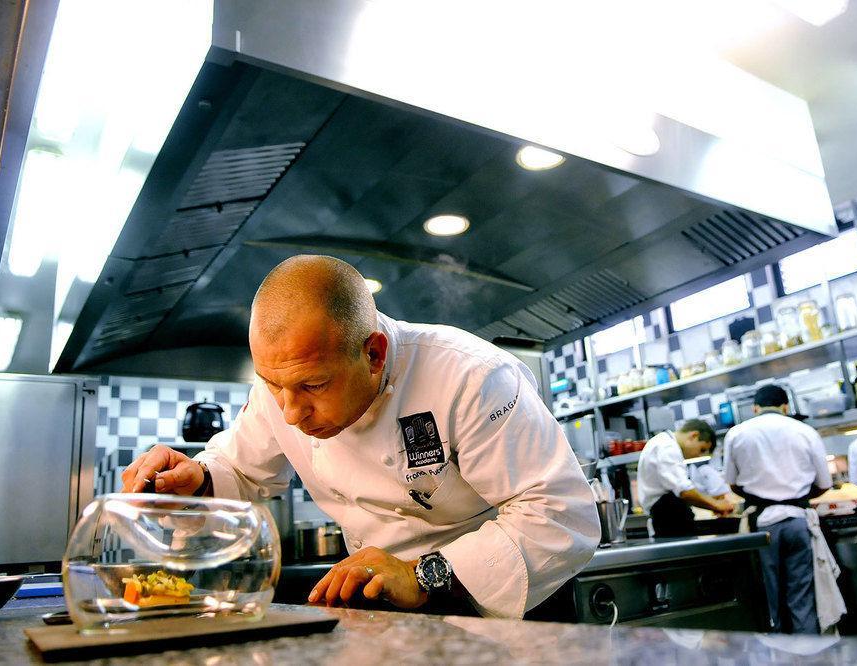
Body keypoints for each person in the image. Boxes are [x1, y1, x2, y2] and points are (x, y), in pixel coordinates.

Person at [121, 255, 599, 618]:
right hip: (381, 604)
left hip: (500, 602)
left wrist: (425, 575)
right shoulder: (286, 387)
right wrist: (196, 480)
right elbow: (242, 471)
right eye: (273, 385)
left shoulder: (471, 377)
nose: (290, 412)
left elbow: (561, 513)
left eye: (313, 386)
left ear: (373, 353)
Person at [723, 384, 832, 634]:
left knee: (767, 594)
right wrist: (795, 497)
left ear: (754, 408)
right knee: (802, 595)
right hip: (798, 521)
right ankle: (809, 656)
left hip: (760, 527)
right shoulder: (805, 431)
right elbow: (824, 484)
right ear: (786, 407)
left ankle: (775, 654)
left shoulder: (737, 433)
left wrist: (762, 497)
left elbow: (732, 483)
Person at [636, 419, 734, 538]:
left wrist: (711, 504)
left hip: (668, 516)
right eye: (702, 449)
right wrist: (717, 505)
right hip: (668, 520)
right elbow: (684, 491)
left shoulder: (664, 441)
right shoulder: (667, 447)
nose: (699, 455)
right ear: (694, 436)